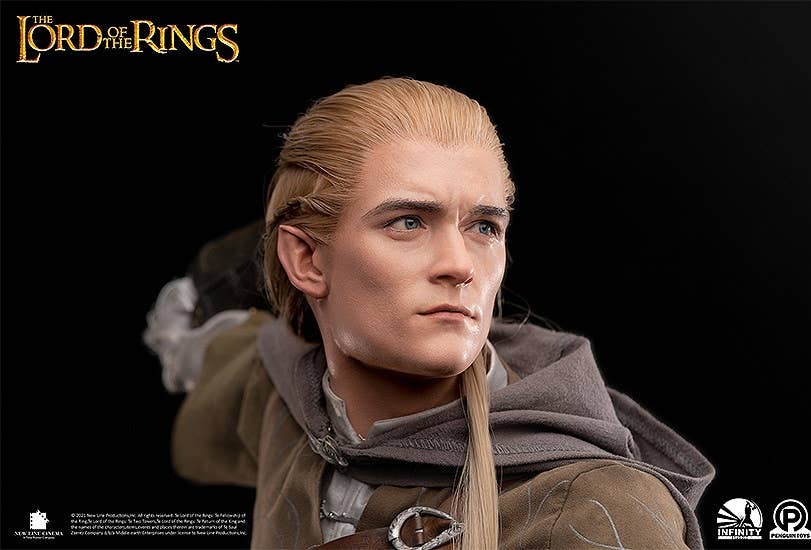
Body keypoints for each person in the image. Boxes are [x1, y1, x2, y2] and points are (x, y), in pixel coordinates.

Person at [143, 77, 715, 549]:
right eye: (409, 222)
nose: (460, 265)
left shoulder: (594, 510)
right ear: (307, 259)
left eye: (484, 227)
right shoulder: (277, 386)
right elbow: (206, 344)